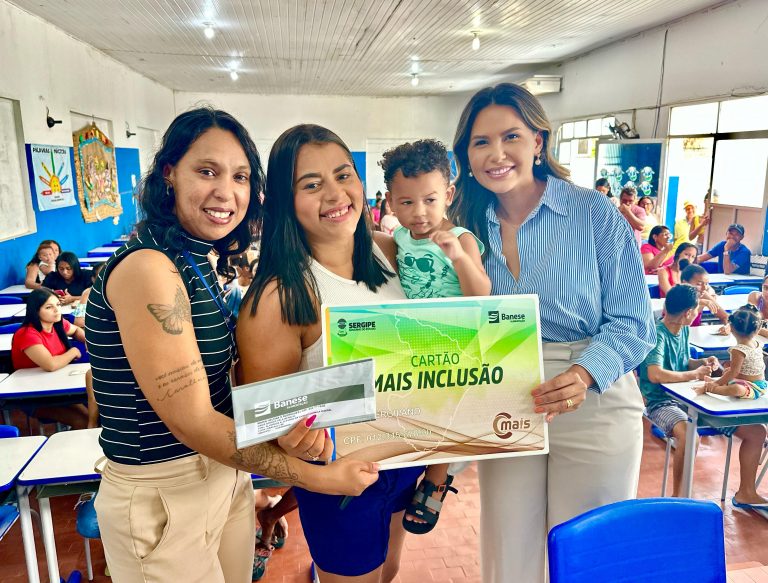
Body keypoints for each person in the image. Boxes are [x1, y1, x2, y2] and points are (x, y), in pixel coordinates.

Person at [85, 108, 378, 583]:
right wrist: (318, 478)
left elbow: (231, 387)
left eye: (240, 176)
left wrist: (351, 394)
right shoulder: (148, 269)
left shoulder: (200, 262)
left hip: (224, 473)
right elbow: (193, 420)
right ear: (168, 174)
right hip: (164, 490)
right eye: (207, 171)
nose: (226, 192)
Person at [449, 83, 654, 583]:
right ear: (466, 155)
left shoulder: (593, 213)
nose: (496, 154)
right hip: (505, 391)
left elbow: (635, 322)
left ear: (538, 142)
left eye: (511, 137)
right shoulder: (462, 225)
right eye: (480, 142)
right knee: (508, 552)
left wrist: (585, 374)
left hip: (593, 395)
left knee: (586, 556)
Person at [237, 124, 423, 583]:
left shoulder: (392, 253)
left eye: (343, 175)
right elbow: (262, 422)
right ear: (284, 202)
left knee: (390, 571)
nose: (335, 194)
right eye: (311, 184)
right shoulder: (280, 296)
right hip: (340, 480)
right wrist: (290, 437)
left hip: (406, 460)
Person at [380, 138, 490, 534]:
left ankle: (437, 481)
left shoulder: (460, 237)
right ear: (391, 203)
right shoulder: (400, 238)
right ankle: (417, 469)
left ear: (448, 195)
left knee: (446, 411)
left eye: (429, 200)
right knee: (421, 409)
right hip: (418, 337)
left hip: (457, 337)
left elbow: (482, 293)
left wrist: (457, 257)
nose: (419, 212)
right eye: (407, 202)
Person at [637, 284, 722, 497]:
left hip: (686, 396)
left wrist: (702, 363)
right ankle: (679, 495)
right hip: (659, 402)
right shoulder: (658, 335)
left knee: (749, 429)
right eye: (696, 309)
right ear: (688, 313)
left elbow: (684, 362)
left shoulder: (682, 329)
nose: (697, 313)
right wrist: (694, 374)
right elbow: (655, 374)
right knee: (689, 436)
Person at [694, 304, 768, 510]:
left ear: (732, 328)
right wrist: (717, 384)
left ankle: (711, 386)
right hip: (746, 388)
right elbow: (733, 375)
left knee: (735, 387)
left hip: (754, 388)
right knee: (735, 388)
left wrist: (718, 382)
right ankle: (711, 387)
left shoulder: (745, 347)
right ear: (757, 328)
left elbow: (733, 374)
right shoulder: (747, 346)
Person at [11, 287, 89, 429]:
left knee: (91, 418)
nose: (56, 310)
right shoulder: (27, 334)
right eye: (49, 307)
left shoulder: (58, 324)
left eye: (58, 305)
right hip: (34, 395)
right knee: (82, 422)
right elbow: (50, 365)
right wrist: (73, 351)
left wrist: (87, 341)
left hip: (59, 387)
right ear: (36, 311)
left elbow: (76, 330)